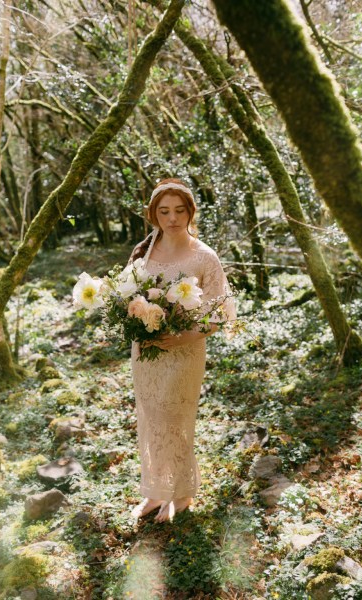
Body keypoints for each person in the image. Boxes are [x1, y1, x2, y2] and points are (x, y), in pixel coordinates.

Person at [128, 178, 235, 523]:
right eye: (164, 211)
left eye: (179, 210)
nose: (172, 218)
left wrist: (184, 336)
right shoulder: (144, 252)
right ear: (153, 214)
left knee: (175, 419)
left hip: (185, 350)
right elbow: (127, 296)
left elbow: (221, 312)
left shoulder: (204, 257)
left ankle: (182, 493)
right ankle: (156, 492)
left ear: (190, 212)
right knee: (150, 417)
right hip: (146, 350)